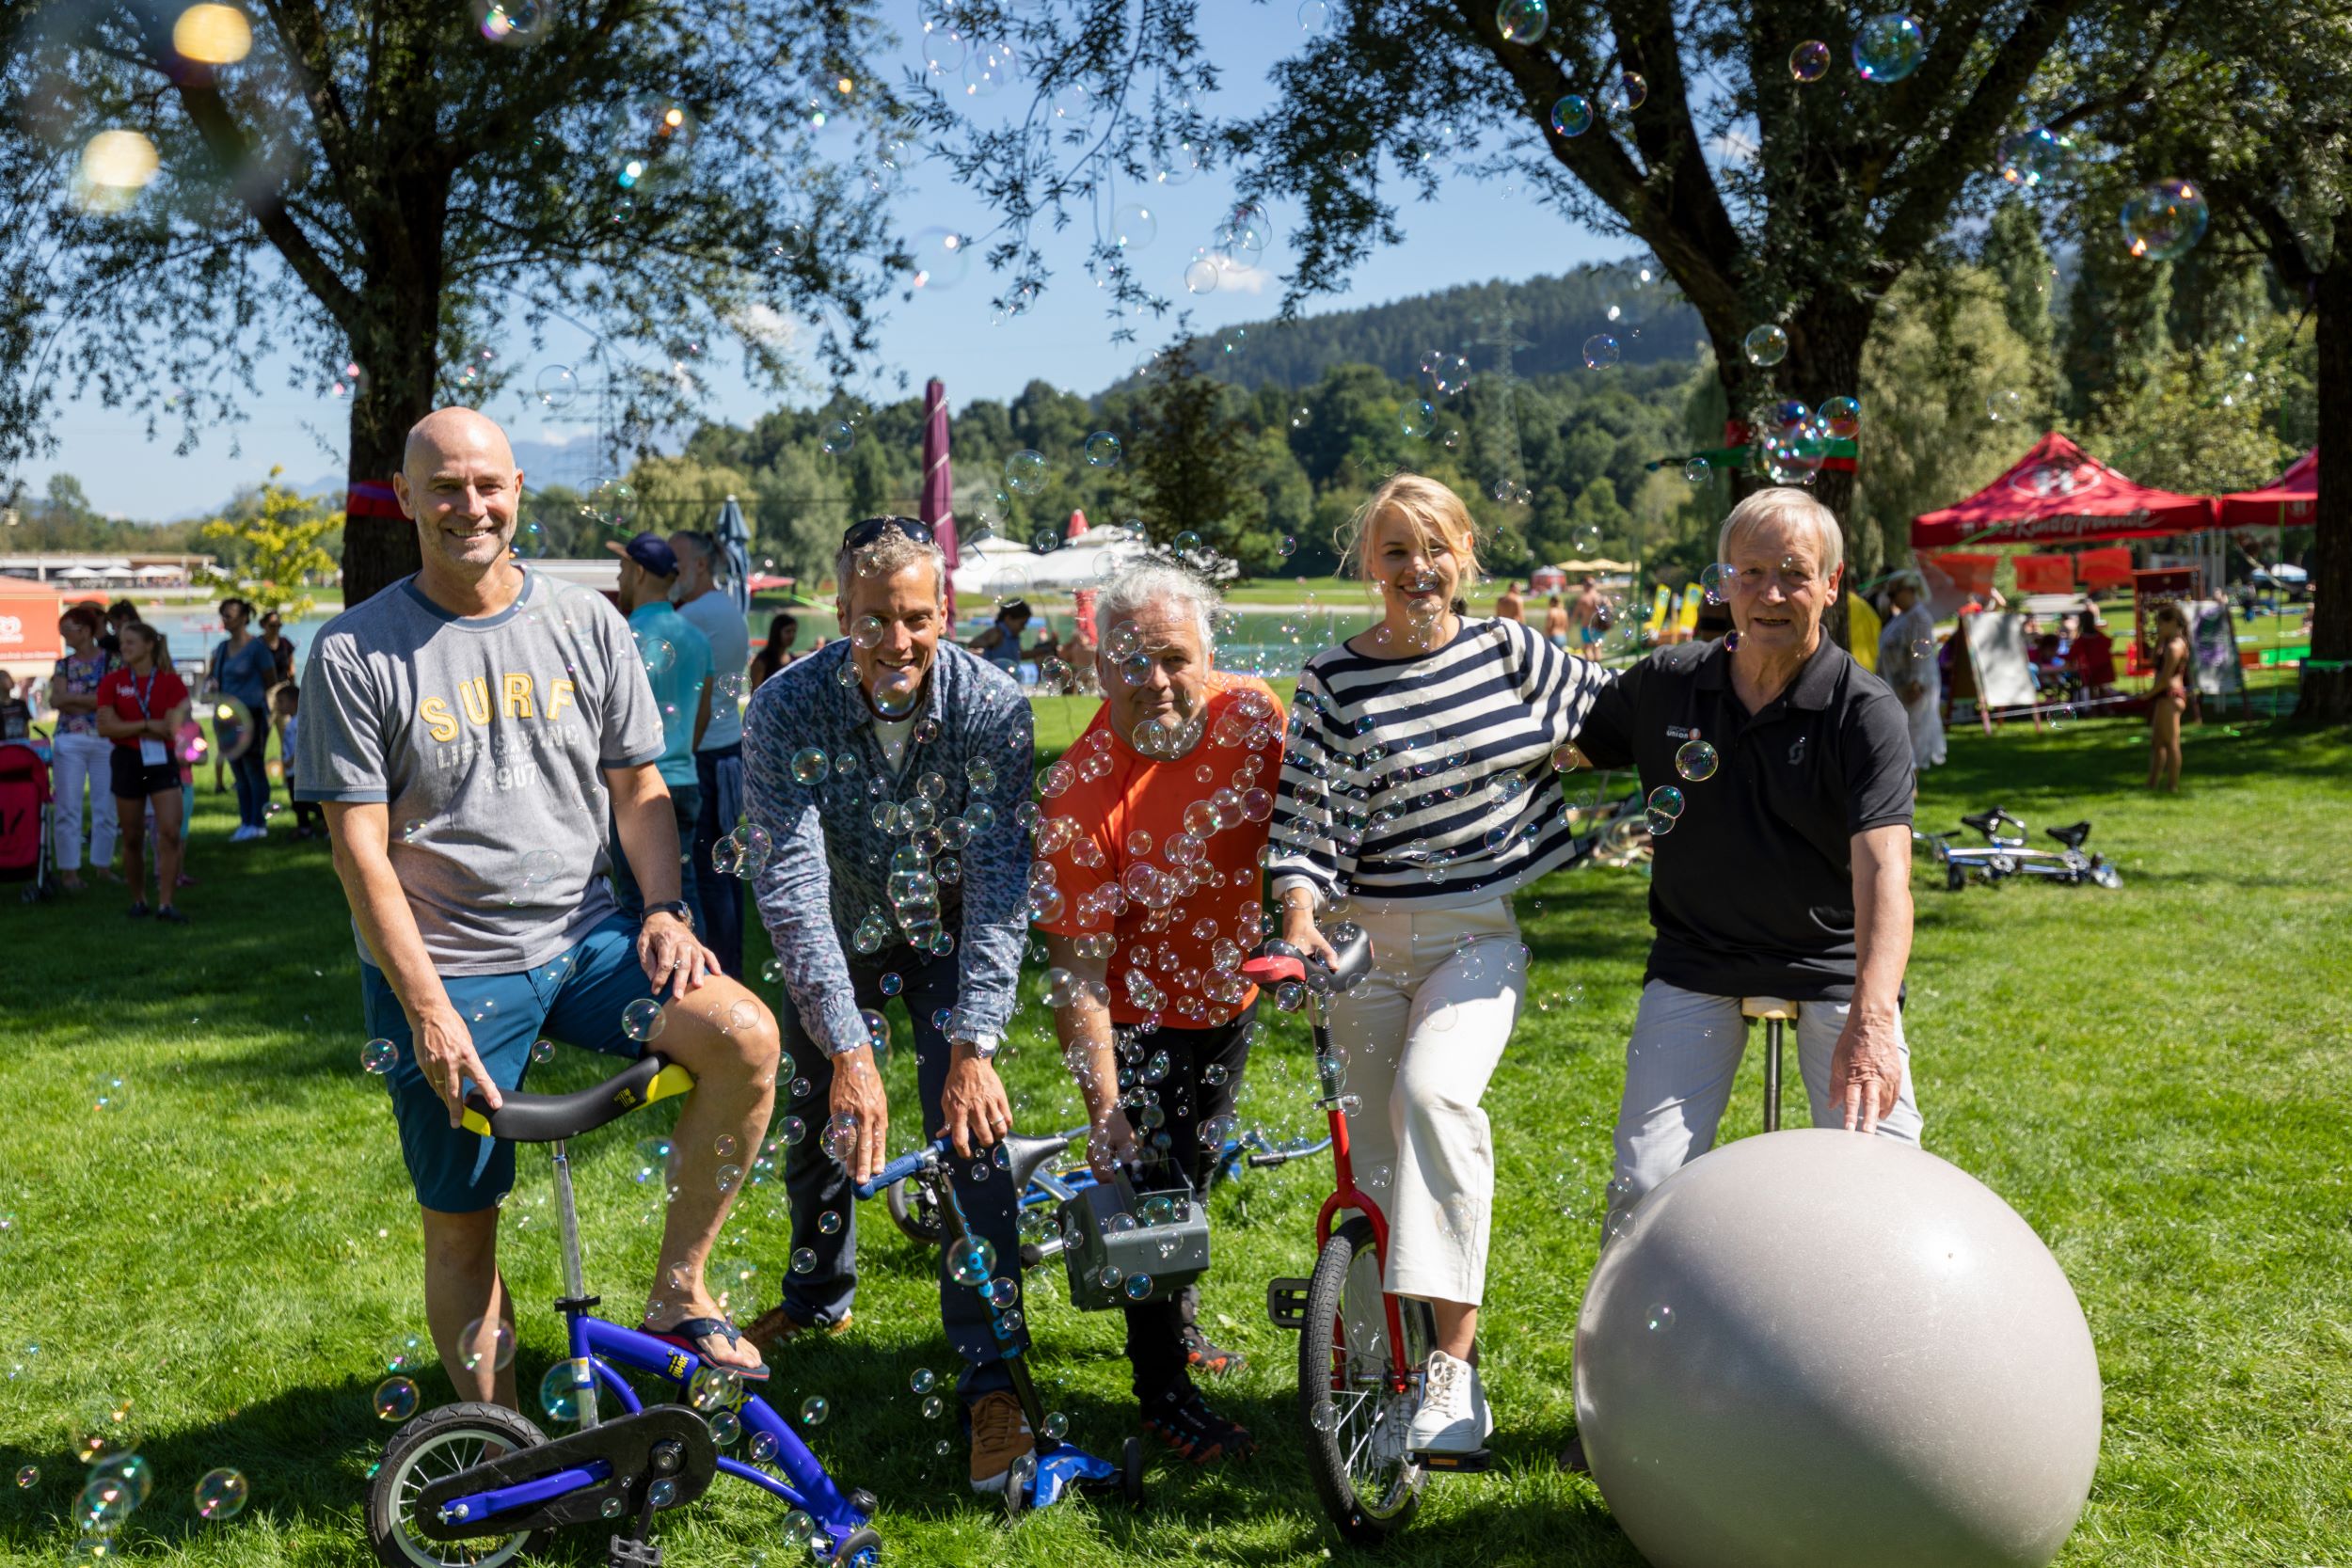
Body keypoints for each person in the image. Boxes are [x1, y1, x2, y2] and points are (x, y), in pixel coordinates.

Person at [297, 406, 782, 1396]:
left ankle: (678, 1293)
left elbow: (640, 789)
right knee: (462, 1222)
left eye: (486, 484)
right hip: (444, 966)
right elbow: (359, 855)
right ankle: (500, 1442)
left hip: (587, 939)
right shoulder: (354, 652)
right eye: (442, 485)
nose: (466, 504)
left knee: (743, 1034)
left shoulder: (587, 622)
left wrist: (662, 906)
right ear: (405, 499)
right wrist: (428, 1010)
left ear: (517, 491)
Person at [1558, 488, 1925, 1475]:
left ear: (1830, 583)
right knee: (1643, 1185)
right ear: (1722, 581)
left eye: (1792, 573)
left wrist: (1873, 1017)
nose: (1770, 592)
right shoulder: (1666, 683)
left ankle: (1883, 1399)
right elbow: (1557, 748)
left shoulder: (1865, 708)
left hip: (1831, 972)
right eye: (1751, 572)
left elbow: (1885, 867)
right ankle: (1619, 1403)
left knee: (1883, 1178)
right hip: (1694, 962)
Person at [1268, 474, 1613, 1456]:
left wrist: (1581, 756)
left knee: (1433, 1100)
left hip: (1474, 932)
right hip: (1359, 938)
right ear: (1366, 564)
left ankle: (1454, 1378)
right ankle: (1384, 1391)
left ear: (1465, 554)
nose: (1416, 569)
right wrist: (1298, 915)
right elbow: (1305, 819)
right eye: (1394, 550)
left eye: (1435, 548)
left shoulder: (1511, 649)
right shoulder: (1332, 679)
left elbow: (1618, 710)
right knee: (1375, 1170)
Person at [739, 516, 1039, 1494]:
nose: (897, 641)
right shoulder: (784, 704)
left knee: (973, 1133)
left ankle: (993, 1374)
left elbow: (1000, 880)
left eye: (916, 618)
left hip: (952, 927)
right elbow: (786, 880)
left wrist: (976, 1039)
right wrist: (846, 1047)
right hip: (836, 924)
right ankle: (819, 1295)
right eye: (875, 622)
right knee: (819, 1117)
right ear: (841, 615)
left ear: (943, 613)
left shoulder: (994, 704)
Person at [1032, 561, 1282, 1463]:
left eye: (1175, 657)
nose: (1156, 681)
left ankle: (1178, 1330)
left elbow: (1304, 828)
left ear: (1210, 658)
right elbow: (1077, 977)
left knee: (1196, 1173)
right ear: (1098, 669)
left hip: (1227, 999)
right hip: (1135, 1019)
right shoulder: (1079, 793)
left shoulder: (1255, 717)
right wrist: (1104, 1109)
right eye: (1131, 661)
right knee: (1149, 1195)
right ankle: (1162, 1393)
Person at [605, 532, 713, 935]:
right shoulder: (697, 638)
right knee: (686, 895)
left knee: (641, 903)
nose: (619, 580)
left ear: (636, 571)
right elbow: (702, 714)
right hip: (685, 779)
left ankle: (659, 989)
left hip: (638, 789)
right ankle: (703, 984)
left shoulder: (621, 635)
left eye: (621, 570)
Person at [669, 528, 751, 978]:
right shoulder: (727, 608)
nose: (668, 569)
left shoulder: (695, 615)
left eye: (675, 560)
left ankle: (721, 971)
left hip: (702, 755)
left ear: (700, 565)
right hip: (727, 751)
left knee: (707, 872)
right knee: (726, 870)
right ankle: (732, 965)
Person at [95, 620, 191, 924]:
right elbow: (105, 726)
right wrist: (148, 725)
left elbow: (177, 726)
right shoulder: (113, 681)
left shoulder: (170, 681)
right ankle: (139, 900)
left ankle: (165, 903)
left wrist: (154, 728)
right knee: (133, 836)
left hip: (162, 761)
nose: (124, 648)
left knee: (170, 832)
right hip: (127, 760)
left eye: (130, 643)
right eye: (122, 644)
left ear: (149, 645)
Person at [47, 603, 121, 890]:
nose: (65, 636)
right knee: (67, 806)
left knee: (106, 807)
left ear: (87, 630)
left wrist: (74, 700)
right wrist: (93, 698)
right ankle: (69, 872)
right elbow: (56, 700)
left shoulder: (112, 661)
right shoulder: (63, 664)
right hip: (70, 741)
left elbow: (110, 699)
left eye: (69, 630)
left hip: (104, 739)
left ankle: (103, 866)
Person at [203, 596, 278, 841]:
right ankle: (246, 822)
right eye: (223, 614)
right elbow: (215, 679)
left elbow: (271, 680)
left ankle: (259, 824)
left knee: (254, 768)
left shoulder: (257, 648)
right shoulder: (223, 648)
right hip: (227, 718)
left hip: (253, 715)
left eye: (230, 614)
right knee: (238, 771)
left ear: (245, 617)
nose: (225, 619)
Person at [1875, 569, 1945, 774]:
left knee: (1912, 737)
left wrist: (1915, 682)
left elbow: (1920, 653)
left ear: (1909, 590)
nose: (1891, 599)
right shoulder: (1901, 617)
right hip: (1895, 686)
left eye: (1893, 593)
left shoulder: (1919, 618)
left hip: (1911, 689)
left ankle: (1910, 787)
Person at [2146, 601, 2191, 793]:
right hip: (2163, 696)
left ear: (2172, 622)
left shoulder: (2175, 647)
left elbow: (2165, 679)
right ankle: (2152, 784)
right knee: (2157, 742)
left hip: (2171, 697)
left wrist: (2147, 695)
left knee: (2171, 743)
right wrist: (2158, 641)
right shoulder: (2167, 644)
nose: (2158, 628)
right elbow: (2153, 661)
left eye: (2161, 624)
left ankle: (2173, 786)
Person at [271, 683, 324, 839]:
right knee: (297, 802)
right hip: (291, 771)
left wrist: (292, 760)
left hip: (299, 771)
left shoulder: (300, 722)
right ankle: (305, 827)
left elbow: (305, 745)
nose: (277, 706)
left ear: (294, 702)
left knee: (303, 801)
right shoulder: (292, 722)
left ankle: (323, 819)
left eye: (281, 701)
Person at [967, 597, 1031, 678]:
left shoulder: (1014, 637)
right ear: (1008, 619)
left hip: (1009, 678)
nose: (1024, 628)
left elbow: (1021, 655)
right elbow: (972, 644)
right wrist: (988, 643)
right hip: (993, 678)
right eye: (1022, 624)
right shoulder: (997, 631)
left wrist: (1045, 648)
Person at [2074, 602, 2118, 701]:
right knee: (2102, 688)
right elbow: (2109, 643)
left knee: (2092, 689)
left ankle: (2093, 710)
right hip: (2104, 666)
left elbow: (2073, 652)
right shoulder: (2099, 636)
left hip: (2091, 668)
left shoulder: (2083, 639)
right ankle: (2107, 709)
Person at [750, 612, 799, 689]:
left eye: (794, 631)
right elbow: (755, 694)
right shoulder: (762, 661)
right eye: (788, 631)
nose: (792, 636)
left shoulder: (792, 659)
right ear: (776, 632)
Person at [258, 610, 297, 688]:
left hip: (283, 689)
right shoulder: (257, 644)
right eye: (272, 625)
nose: (276, 628)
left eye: (278, 625)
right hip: (262, 689)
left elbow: (291, 668)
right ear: (263, 625)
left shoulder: (285, 643)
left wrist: (293, 688)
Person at [1569, 575, 1606, 647]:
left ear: (1585, 585)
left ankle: (1589, 659)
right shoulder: (1601, 598)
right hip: (1599, 627)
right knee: (1597, 650)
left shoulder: (1583, 599)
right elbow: (1610, 611)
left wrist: (1570, 625)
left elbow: (1575, 614)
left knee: (1587, 649)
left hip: (1586, 627)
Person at [0, 671, 28, 741]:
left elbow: (26, 729)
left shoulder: (21, 704)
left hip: (20, 747)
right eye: (4, 677)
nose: (9, 679)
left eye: (9, 676)